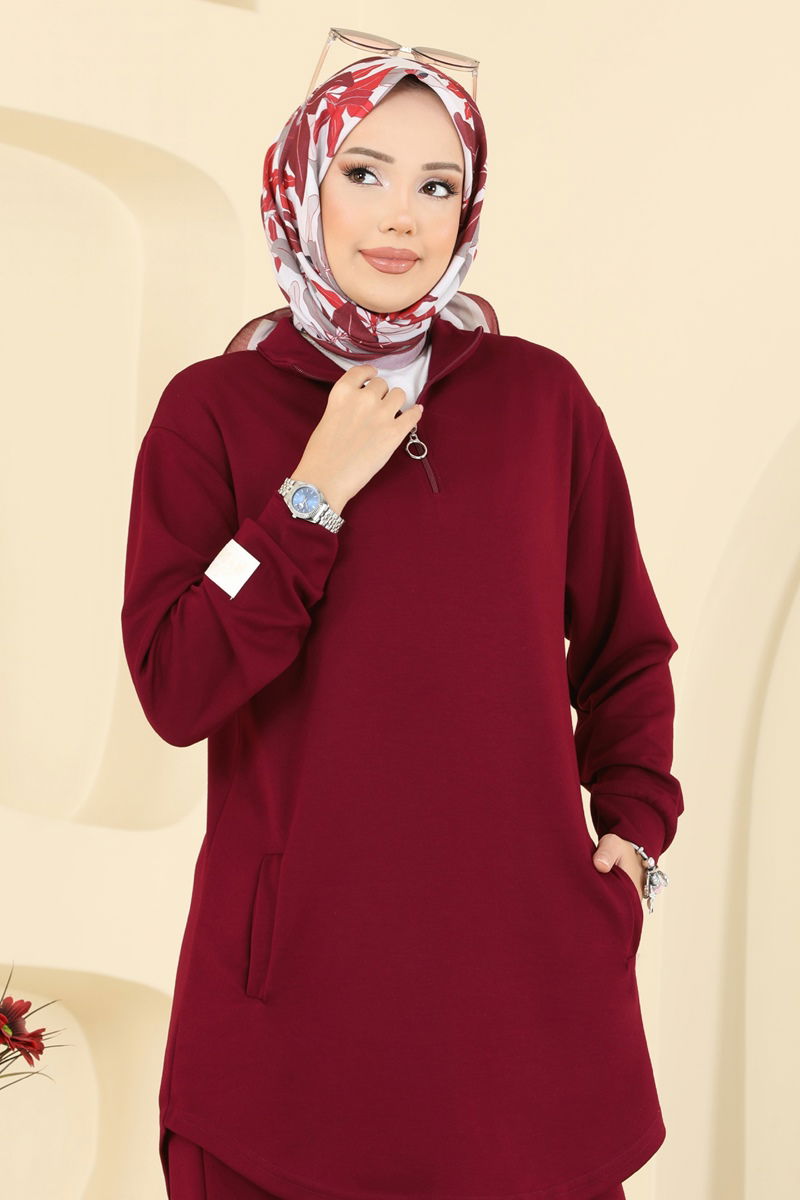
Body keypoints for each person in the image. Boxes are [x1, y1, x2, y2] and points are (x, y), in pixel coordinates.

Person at [120, 50, 683, 1200]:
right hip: (290, 1029)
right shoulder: (213, 412)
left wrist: (631, 841)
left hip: (521, 1014)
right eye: (364, 172)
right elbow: (177, 683)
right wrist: (308, 496)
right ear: (300, 181)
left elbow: (624, 649)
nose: (400, 218)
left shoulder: (539, 402)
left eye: (437, 185)